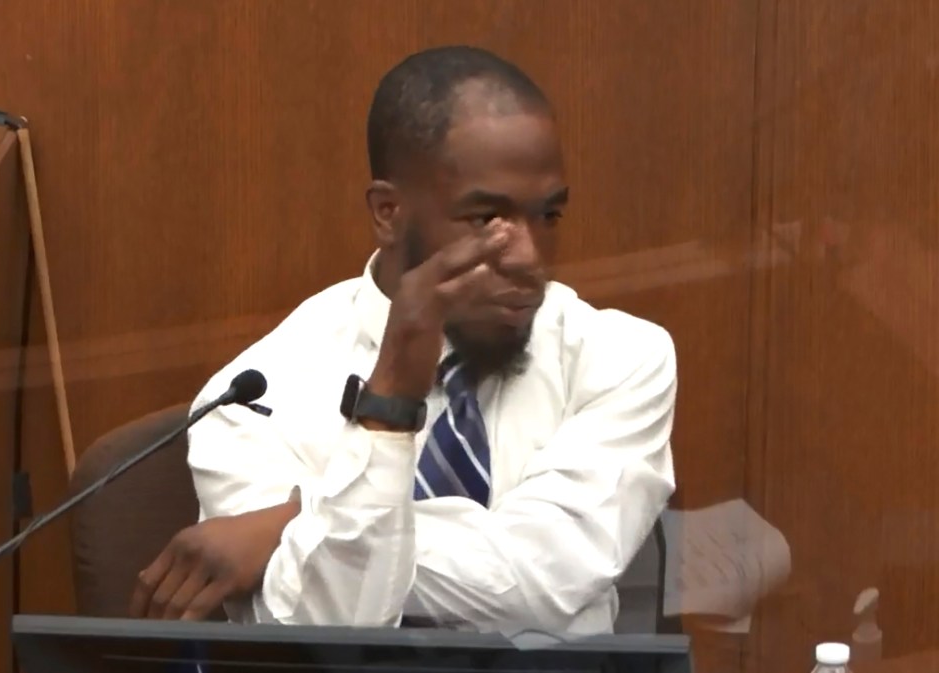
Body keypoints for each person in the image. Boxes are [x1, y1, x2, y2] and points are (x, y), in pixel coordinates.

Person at [130, 45, 677, 635]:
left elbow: (545, 579)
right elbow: (321, 626)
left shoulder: (620, 358)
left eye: (548, 216)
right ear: (389, 212)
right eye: (486, 219)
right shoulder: (252, 398)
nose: (527, 257)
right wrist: (390, 399)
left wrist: (293, 523)